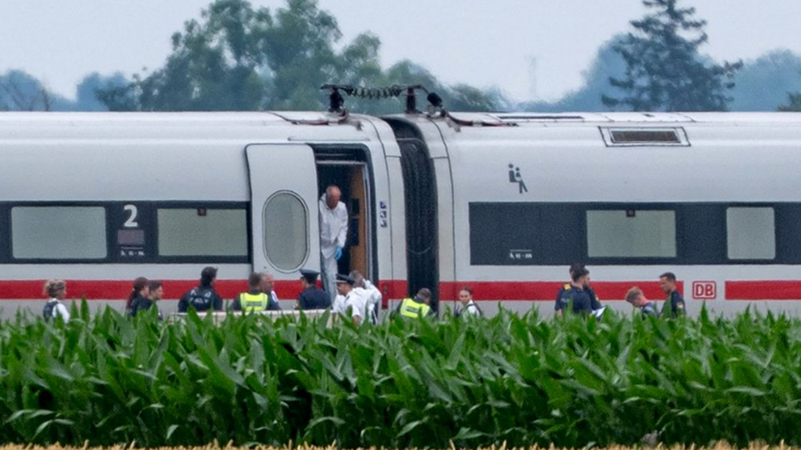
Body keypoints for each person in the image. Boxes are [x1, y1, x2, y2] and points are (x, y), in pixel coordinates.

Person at [319, 185, 348, 300]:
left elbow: (343, 227)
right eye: (333, 200)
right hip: (318, 245)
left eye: (337, 200)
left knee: (331, 276)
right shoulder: (319, 206)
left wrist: (340, 245)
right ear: (327, 198)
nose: (335, 203)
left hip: (332, 247)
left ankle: (334, 304)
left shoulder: (342, 208)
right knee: (320, 276)